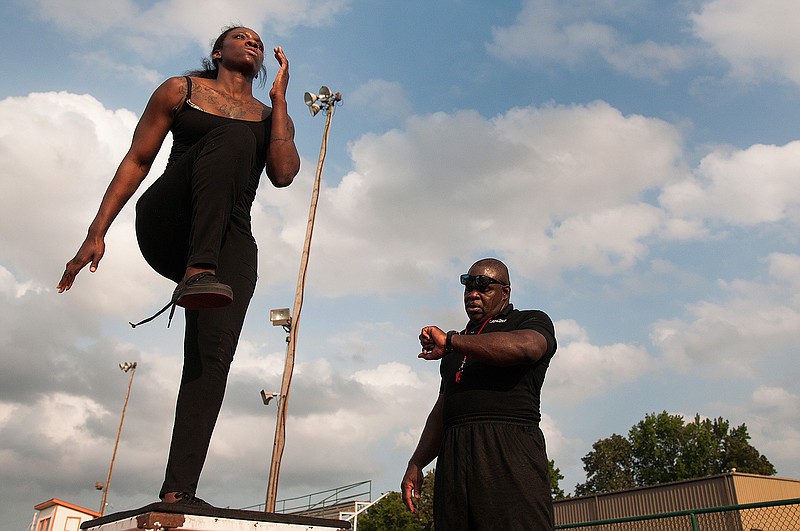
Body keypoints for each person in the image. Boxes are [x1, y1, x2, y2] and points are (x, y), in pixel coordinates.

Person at [57, 25, 300, 505]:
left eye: (257, 39)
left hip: (230, 238)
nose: (252, 41)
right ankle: (196, 271)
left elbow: (284, 174)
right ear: (217, 52)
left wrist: (282, 103)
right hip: (170, 220)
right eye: (240, 36)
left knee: (211, 362)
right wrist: (95, 232)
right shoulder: (181, 90)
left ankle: (177, 491)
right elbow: (138, 158)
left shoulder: (270, 114)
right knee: (231, 138)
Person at [401, 258, 558, 530]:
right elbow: (443, 407)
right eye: (468, 286)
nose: (473, 293)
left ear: (505, 292)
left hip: (508, 456)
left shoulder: (529, 321)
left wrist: (450, 341)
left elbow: (528, 348)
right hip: (455, 463)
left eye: (484, 287)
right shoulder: (457, 345)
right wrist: (417, 462)